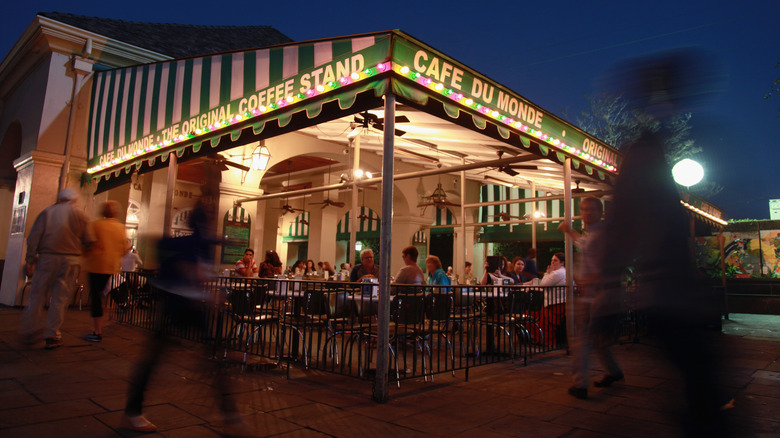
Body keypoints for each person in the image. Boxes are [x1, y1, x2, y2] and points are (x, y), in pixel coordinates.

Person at [122, 192, 248, 435]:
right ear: (204, 220)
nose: (213, 219)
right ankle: (229, 416)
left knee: (169, 358)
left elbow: (191, 268)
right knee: (178, 358)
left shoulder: (199, 242)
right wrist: (211, 294)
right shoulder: (196, 243)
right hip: (178, 304)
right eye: (210, 215)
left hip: (180, 303)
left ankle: (229, 415)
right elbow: (190, 271)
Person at [559, 197, 623, 400]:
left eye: (590, 210)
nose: (586, 213)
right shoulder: (592, 234)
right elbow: (583, 245)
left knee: (582, 340)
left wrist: (589, 279)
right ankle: (614, 372)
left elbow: (608, 263)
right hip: (593, 295)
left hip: (597, 294)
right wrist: (569, 231)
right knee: (596, 339)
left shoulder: (602, 235)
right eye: (583, 209)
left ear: (600, 212)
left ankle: (580, 384)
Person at [20, 188, 93, 349]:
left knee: (37, 295)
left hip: (47, 258)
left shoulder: (47, 212)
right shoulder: (81, 215)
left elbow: (33, 238)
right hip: (71, 260)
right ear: (74, 200)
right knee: (60, 299)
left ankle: (30, 330)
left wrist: (30, 259)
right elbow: (89, 240)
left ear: (60, 198)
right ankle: (52, 334)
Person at [83, 201, 130, 342]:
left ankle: (97, 331)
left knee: (96, 298)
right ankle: (99, 327)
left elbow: (88, 244)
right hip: (110, 266)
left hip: (95, 265)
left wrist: (87, 255)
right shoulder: (121, 228)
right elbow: (125, 248)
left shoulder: (96, 225)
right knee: (102, 295)